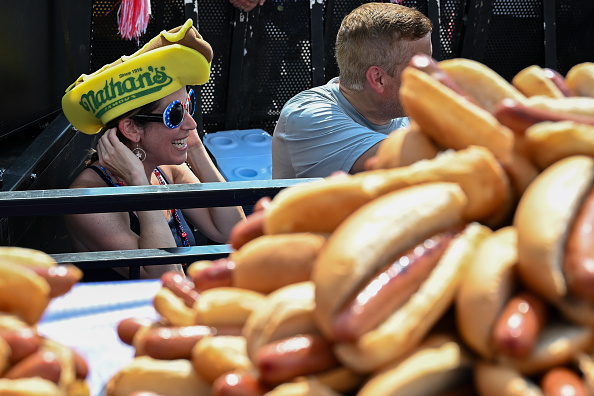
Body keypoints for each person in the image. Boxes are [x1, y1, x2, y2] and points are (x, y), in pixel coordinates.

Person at [61, 19, 246, 280]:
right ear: (132, 129)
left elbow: (233, 232)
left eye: (188, 105)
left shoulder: (167, 170)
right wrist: (139, 183)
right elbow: (164, 276)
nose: (191, 123)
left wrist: (195, 149)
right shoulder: (88, 200)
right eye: (176, 113)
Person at [271, 2, 433, 179]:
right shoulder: (307, 116)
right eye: (420, 65)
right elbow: (404, 160)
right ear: (378, 79)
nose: (433, 72)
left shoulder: (409, 110)